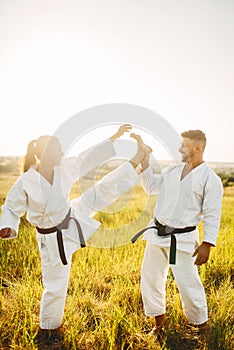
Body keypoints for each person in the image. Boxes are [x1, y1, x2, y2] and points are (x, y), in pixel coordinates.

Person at [0, 124, 147, 345]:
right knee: (56, 285)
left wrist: (114, 137)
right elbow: (11, 206)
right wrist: (8, 225)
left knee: (102, 190)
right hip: (51, 238)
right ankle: (49, 329)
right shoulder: (27, 181)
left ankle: (137, 161)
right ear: (45, 154)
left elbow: (89, 157)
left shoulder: (64, 168)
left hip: (71, 215)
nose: (62, 154)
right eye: (57, 150)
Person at [131, 130, 223, 337]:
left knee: (188, 283)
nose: (180, 149)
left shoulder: (211, 179)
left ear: (197, 148)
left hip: (182, 240)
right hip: (156, 234)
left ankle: (201, 327)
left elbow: (212, 214)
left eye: (184, 145)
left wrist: (207, 243)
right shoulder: (172, 171)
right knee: (151, 279)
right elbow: (151, 186)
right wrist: (144, 160)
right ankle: (159, 325)